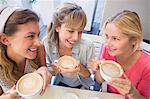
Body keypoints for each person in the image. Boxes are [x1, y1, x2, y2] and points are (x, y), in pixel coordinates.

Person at [91, 10, 150, 99]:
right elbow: (99, 80)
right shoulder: (108, 50)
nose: (108, 43)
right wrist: (98, 70)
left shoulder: (147, 67)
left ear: (134, 40)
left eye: (115, 38)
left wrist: (132, 92)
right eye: (107, 36)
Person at [0, 7, 52, 99]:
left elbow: (45, 82)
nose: (39, 42)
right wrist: (11, 95)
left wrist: (44, 68)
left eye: (38, 35)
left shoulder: (39, 49)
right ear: (5, 39)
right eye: (30, 36)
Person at [43, 3, 95, 89]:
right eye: (71, 31)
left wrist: (79, 69)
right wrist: (54, 70)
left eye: (80, 32)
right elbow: (48, 70)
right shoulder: (47, 44)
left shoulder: (88, 46)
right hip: (59, 83)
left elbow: (89, 74)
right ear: (57, 27)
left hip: (82, 86)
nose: (76, 38)